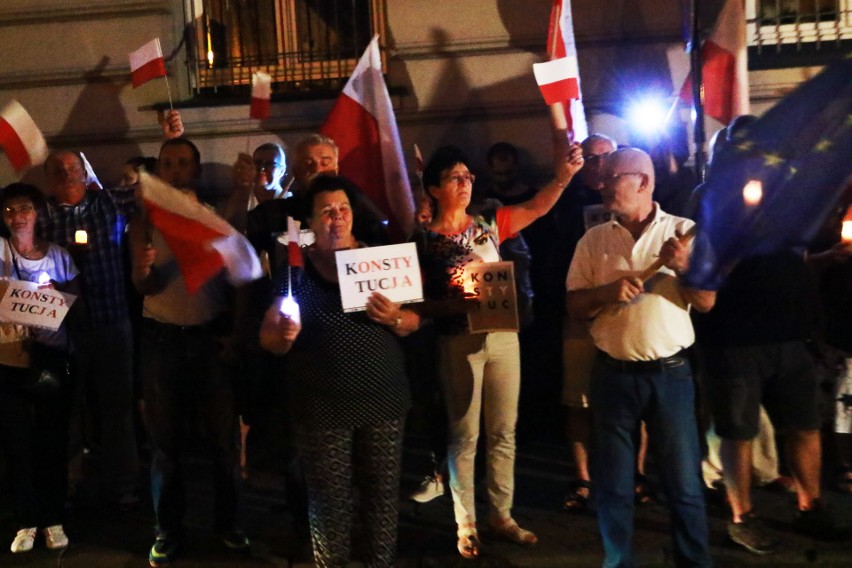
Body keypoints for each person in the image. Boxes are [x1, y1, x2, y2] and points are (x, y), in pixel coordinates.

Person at [416, 142, 583, 559]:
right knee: (465, 434)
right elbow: (416, 303)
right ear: (434, 189)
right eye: (456, 177)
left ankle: (502, 515)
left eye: (469, 176)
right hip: (459, 341)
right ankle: (466, 522)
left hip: (504, 335)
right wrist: (456, 304)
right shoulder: (423, 240)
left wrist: (563, 175)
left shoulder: (487, 222)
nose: (466, 183)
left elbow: (538, 207)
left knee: (505, 431)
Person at [566, 147, 715, 568]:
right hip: (612, 375)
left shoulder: (685, 233)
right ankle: (618, 562)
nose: (600, 185)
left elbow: (706, 302)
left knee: (684, 483)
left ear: (643, 182)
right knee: (613, 484)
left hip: (671, 376)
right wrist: (605, 293)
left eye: (610, 178)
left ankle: (694, 561)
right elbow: (575, 307)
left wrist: (685, 267)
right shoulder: (594, 239)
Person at [259, 174, 417, 568]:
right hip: (322, 409)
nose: (337, 217)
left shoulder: (380, 260)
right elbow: (269, 338)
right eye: (326, 211)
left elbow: (417, 320)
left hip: (383, 401)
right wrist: (283, 336)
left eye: (343, 209)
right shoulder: (296, 274)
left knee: (382, 499)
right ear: (310, 222)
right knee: (329, 503)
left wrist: (397, 318)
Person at [131, 137, 250, 566]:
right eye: (168, 163)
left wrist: (236, 335)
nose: (176, 169)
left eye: (184, 162)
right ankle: (167, 530)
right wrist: (144, 269)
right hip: (163, 340)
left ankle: (231, 526)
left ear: (197, 170)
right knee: (165, 446)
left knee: (223, 443)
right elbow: (144, 287)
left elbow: (239, 282)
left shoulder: (214, 221)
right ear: (159, 171)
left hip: (209, 340)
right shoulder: (144, 225)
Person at [0, 183, 80, 553]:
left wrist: (51, 302)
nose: (18, 216)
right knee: (17, 441)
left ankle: (53, 517)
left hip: (51, 356)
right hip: (9, 356)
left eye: (25, 208)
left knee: (51, 438)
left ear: (38, 213)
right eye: (10, 210)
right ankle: (26, 520)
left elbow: (76, 305)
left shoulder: (60, 257)